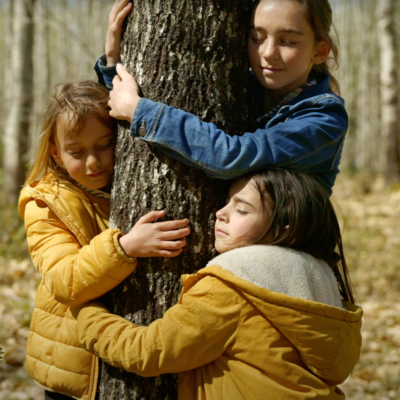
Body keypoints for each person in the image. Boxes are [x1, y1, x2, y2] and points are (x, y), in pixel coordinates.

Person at [73, 168, 363, 400]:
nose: (219, 213)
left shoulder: (233, 283)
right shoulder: (321, 280)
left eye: (242, 210)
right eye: (226, 202)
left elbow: (151, 351)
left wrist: (86, 313)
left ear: (284, 227)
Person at [18, 80, 190, 400]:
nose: (94, 163)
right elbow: (63, 280)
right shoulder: (44, 201)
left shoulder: (116, 187)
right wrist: (123, 247)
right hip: (72, 368)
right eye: (76, 152)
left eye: (104, 144)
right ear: (55, 151)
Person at [95, 0, 347, 194]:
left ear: (320, 51)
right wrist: (113, 59)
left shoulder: (324, 119)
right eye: (256, 38)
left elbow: (231, 157)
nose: (268, 52)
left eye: (289, 41)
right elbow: (117, 112)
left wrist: (140, 112)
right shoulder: (238, 84)